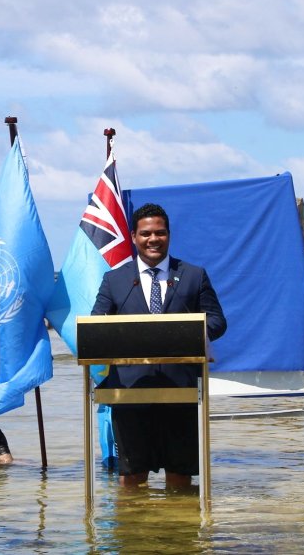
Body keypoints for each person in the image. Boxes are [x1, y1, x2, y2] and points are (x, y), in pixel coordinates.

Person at [92, 203, 227, 487]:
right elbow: (97, 324)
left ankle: (176, 530)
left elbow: (217, 321)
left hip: (181, 389)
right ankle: (132, 531)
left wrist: (184, 336)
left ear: (168, 235)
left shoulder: (193, 275)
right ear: (134, 237)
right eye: (146, 234)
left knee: (180, 477)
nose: (153, 239)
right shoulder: (115, 280)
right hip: (129, 391)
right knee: (131, 478)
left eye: (160, 233)